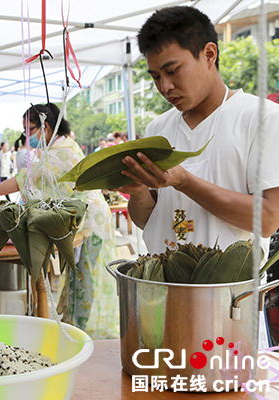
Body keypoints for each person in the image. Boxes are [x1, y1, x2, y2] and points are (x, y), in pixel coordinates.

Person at [120, 7, 279, 346]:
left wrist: (185, 181)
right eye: (154, 76)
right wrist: (137, 192)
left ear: (209, 54)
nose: (165, 86)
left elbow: (266, 220)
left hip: (229, 309)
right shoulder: (158, 129)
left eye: (172, 70)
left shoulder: (260, 119)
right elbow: (149, 219)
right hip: (161, 299)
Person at [0, 103, 119, 339]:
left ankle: (84, 334)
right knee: (77, 279)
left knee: (86, 281)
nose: (27, 137)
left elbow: (26, 179)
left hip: (90, 221)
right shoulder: (58, 146)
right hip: (83, 218)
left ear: (46, 127)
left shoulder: (61, 151)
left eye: (29, 130)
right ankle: (75, 328)